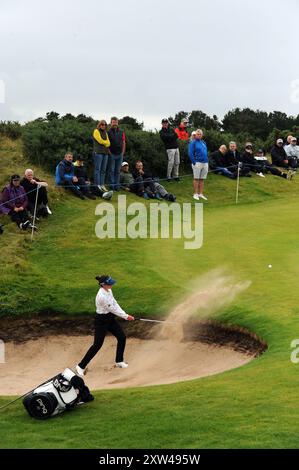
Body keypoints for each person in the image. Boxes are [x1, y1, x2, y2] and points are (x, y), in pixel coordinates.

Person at [76, 275, 135, 376]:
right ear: (103, 285)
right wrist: (126, 317)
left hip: (110, 318)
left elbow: (114, 303)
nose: (112, 284)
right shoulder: (101, 297)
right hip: (101, 321)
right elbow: (112, 308)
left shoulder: (109, 290)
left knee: (122, 337)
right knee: (97, 345)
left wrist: (125, 314)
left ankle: (119, 361)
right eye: (109, 283)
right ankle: (81, 366)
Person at [188, 129, 208, 201]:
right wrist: (194, 162)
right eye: (198, 134)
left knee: (202, 179)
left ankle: (200, 194)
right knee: (196, 179)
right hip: (197, 163)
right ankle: (195, 194)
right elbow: (190, 153)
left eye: (200, 134)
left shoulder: (203, 143)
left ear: (202, 135)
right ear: (195, 135)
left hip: (205, 163)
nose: (199, 135)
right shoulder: (193, 143)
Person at [107, 117, 126, 190]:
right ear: (111, 123)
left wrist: (123, 152)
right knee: (111, 170)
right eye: (113, 122)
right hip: (112, 153)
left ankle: (117, 186)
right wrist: (109, 152)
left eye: (116, 122)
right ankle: (112, 186)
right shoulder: (108, 132)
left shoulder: (122, 132)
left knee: (117, 171)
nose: (115, 124)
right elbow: (107, 143)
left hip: (119, 154)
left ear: (118, 123)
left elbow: (124, 142)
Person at [92, 120, 110, 192]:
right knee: (97, 170)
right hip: (98, 152)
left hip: (105, 153)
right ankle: (97, 185)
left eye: (105, 125)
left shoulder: (105, 132)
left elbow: (109, 143)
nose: (104, 126)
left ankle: (102, 185)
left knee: (103, 170)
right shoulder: (96, 131)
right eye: (102, 124)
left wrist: (105, 142)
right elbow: (100, 140)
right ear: (99, 125)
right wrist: (105, 142)